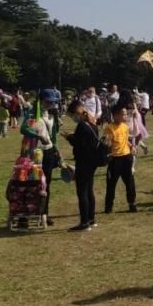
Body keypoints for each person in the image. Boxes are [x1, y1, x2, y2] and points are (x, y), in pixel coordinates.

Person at [66, 99, 105, 231]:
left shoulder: (82, 125)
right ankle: (91, 219)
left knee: (82, 191)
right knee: (89, 190)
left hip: (84, 162)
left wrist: (70, 138)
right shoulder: (92, 124)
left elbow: (80, 145)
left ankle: (84, 222)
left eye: (72, 115)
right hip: (92, 162)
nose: (73, 118)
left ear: (76, 112)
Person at [103, 105, 137, 214]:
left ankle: (132, 204)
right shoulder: (109, 128)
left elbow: (125, 140)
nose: (126, 116)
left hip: (127, 157)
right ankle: (109, 206)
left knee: (130, 183)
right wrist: (106, 143)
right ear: (116, 116)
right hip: (115, 159)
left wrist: (131, 146)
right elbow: (107, 144)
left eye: (126, 114)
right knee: (111, 184)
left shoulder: (125, 127)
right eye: (123, 114)